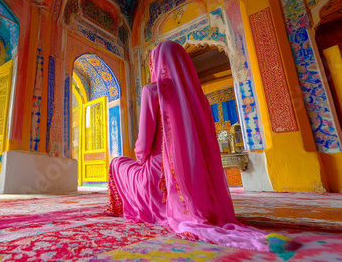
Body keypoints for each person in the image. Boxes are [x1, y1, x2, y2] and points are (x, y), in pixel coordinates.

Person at [106, 40, 297, 252]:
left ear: (156, 63)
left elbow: (142, 147)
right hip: (195, 178)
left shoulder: (153, 91)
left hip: (159, 180)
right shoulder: (198, 98)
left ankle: (132, 205)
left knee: (117, 163)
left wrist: (141, 161)